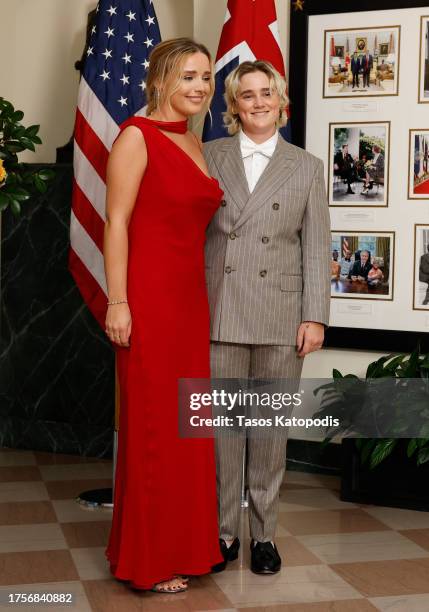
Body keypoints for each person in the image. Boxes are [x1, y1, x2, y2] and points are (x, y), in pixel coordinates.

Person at [103, 38, 223, 594]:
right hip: (147, 301)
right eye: (188, 77)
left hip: (190, 303)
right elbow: (117, 223)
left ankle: (188, 547)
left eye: (205, 77)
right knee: (154, 427)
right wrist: (119, 301)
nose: (200, 87)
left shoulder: (194, 141)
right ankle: (148, 559)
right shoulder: (136, 135)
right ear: (160, 79)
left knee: (186, 427)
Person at [203, 60, 330, 575]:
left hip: (282, 313)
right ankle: (223, 533)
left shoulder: (307, 166)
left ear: (282, 103)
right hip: (221, 308)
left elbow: (317, 247)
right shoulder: (208, 155)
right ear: (232, 105)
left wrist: (315, 315)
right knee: (223, 433)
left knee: (270, 430)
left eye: (266, 94)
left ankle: (265, 537)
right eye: (246, 95)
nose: (257, 103)